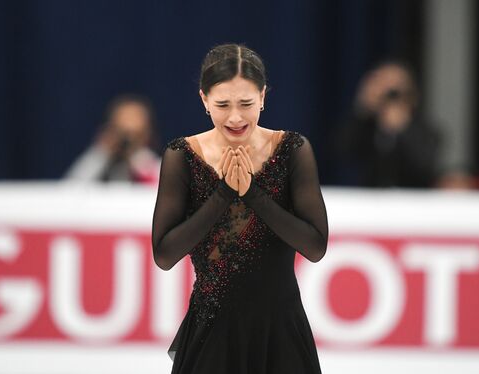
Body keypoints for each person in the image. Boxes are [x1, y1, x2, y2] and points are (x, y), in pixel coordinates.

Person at [151, 44, 328, 374]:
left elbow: (315, 246)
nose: (235, 117)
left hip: (281, 331)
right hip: (212, 331)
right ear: (204, 100)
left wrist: (253, 194)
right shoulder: (182, 156)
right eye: (222, 104)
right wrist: (223, 194)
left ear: (263, 96)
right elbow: (164, 254)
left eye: (246, 103)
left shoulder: (293, 150)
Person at [330, 61, 441, 188]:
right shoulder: (365, 127)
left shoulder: (426, 132)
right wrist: (363, 109)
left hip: (412, 202)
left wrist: (403, 130)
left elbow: (423, 166)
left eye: (395, 94)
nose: (390, 101)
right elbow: (342, 151)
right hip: (368, 200)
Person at [64, 94, 161, 185]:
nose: (127, 140)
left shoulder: (155, 169)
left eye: (136, 134)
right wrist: (100, 153)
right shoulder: (98, 162)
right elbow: (69, 191)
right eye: (121, 131)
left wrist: (138, 158)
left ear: (148, 135)